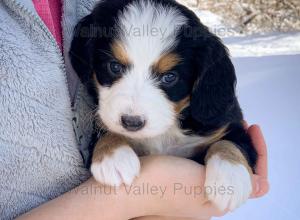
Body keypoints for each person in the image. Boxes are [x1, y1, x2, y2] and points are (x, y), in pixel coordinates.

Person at [0, 0, 269, 219]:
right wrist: (111, 146)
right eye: (115, 68)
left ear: (201, 78)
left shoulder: (208, 111)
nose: (133, 113)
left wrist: (229, 154)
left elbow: (234, 136)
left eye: (168, 78)